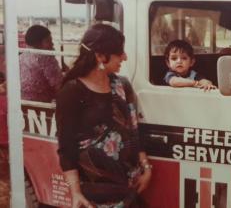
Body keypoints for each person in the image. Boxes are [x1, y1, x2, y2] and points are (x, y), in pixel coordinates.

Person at [56, 24, 151, 208]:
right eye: (119, 52)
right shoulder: (72, 91)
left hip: (129, 188)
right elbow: (66, 146)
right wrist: (75, 192)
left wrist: (146, 168)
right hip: (94, 194)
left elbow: (133, 129)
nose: (125, 57)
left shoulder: (122, 85)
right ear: (99, 56)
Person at [19, 25, 63, 102]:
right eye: (48, 41)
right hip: (42, 107)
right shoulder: (46, 58)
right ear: (37, 43)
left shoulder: (21, 57)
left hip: (23, 105)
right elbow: (59, 85)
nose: (52, 44)